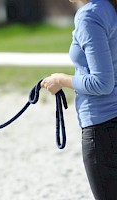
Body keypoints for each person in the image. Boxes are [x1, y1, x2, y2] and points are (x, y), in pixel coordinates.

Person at [41, 0, 117, 199]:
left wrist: (60, 80)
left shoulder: (89, 16)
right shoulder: (108, 8)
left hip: (102, 127)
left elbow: (102, 82)